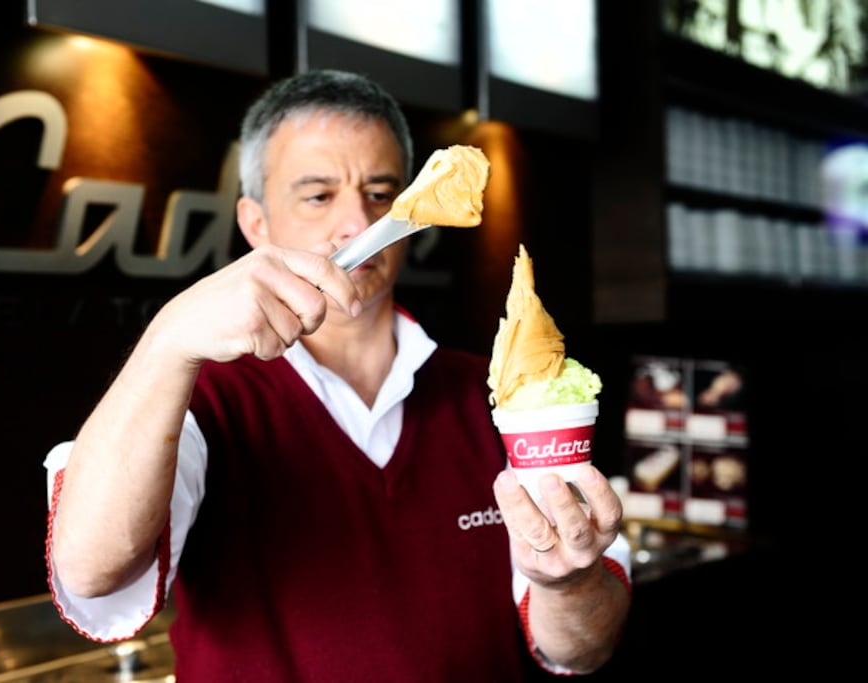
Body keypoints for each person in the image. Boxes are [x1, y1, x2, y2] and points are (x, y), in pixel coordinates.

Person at [44, 69, 632, 681]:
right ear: (256, 224)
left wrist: (566, 582)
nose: (357, 223)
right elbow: (91, 571)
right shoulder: (201, 400)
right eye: (319, 196)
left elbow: (582, 649)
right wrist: (167, 341)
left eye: (382, 194)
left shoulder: (499, 396)